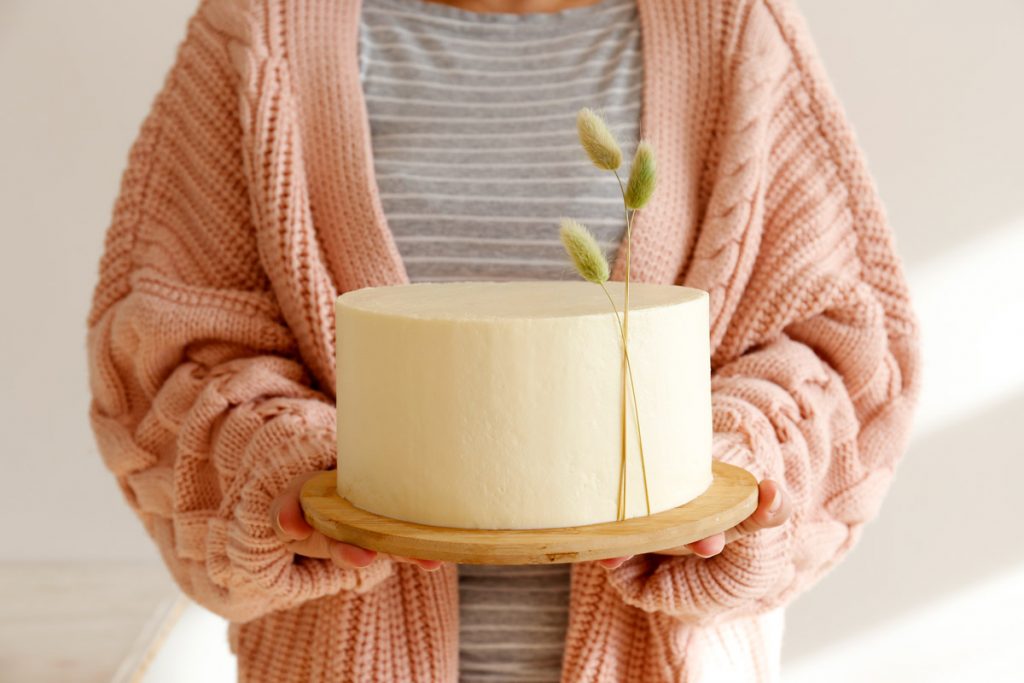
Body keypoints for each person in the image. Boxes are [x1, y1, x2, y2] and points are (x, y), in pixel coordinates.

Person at [84, 0, 921, 680]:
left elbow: (842, 350)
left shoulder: (732, 30)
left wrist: (727, 461)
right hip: (337, 660)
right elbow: (166, 350)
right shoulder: (264, 28)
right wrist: (281, 463)